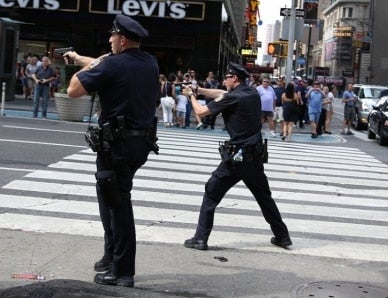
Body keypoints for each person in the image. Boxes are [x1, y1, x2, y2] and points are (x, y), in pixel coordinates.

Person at [65, 14, 159, 288]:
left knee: (118, 206)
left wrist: (82, 66)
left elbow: (73, 90)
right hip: (138, 144)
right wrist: (87, 59)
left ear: (123, 39)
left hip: (115, 146)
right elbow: (111, 66)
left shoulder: (112, 65)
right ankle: (111, 255)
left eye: (112, 36)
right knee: (109, 200)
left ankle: (122, 270)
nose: (109, 40)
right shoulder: (149, 63)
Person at [182, 62, 292, 251]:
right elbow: (222, 94)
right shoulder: (251, 93)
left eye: (226, 78)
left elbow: (201, 111)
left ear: (234, 78)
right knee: (264, 197)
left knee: (211, 193)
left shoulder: (234, 97)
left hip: (236, 158)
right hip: (255, 157)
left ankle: (200, 238)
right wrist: (199, 89)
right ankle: (282, 236)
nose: (224, 81)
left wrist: (192, 96)